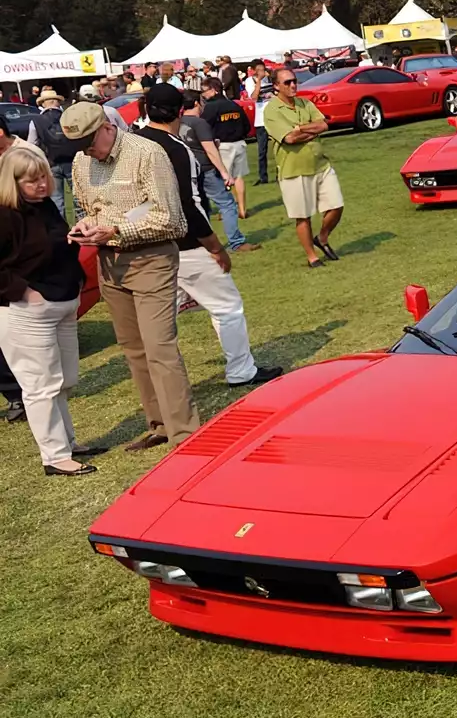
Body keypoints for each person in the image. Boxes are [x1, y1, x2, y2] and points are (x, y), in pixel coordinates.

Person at [62, 100, 202, 451]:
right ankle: (160, 425)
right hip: (110, 263)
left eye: (89, 142)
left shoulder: (147, 153)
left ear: (107, 127)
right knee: (134, 349)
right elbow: (91, 209)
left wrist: (116, 230)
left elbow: (171, 219)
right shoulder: (81, 161)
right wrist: (86, 226)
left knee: (159, 348)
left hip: (151, 259)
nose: (87, 151)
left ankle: (185, 433)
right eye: (79, 146)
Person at [132, 85, 281, 391]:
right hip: (185, 243)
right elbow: (190, 203)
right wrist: (215, 247)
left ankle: (157, 381)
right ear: (180, 111)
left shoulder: (134, 144)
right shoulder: (176, 148)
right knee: (227, 306)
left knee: (159, 320)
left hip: (148, 244)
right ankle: (241, 370)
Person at [0, 145, 100, 474]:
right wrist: (24, 292)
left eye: (43, 176)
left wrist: (75, 239)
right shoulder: (5, 215)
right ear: (13, 182)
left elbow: (52, 244)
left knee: (64, 379)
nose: (42, 184)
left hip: (62, 301)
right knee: (40, 385)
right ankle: (55, 456)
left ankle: (67, 443)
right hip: (27, 311)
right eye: (32, 180)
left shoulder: (43, 206)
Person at [262, 67, 345, 268]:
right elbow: (289, 138)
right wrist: (310, 130)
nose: (293, 85)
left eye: (294, 81)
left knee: (337, 205)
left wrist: (300, 128)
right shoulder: (272, 110)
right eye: (287, 82)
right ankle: (312, 257)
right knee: (302, 216)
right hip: (293, 170)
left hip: (320, 164)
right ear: (276, 86)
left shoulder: (305, 103)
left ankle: (322, 237)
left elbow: (323, 125)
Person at [180, 89, 253, 254]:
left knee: (201, 207)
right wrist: (225, 173)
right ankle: (236, 242)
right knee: (227, 204)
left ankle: (203, 244)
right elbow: (210, 150)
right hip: (206, 169)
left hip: (189, 171)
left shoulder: (179, 123)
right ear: (197, 103)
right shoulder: (199, 123)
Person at [200, 82, 255, 242]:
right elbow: (246, 126)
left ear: (213, 90)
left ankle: (226, 210)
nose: (203, 95)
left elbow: (203, 127)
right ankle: (242, 209)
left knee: (224, 178)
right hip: (239, 143)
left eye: (205, 91)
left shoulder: (211, 107)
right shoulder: (234, 105)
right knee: (239, 177)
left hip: (222, 145)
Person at [28, 90, 78, 218]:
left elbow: (32, 145)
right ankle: (85, 225)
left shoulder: (36, 121)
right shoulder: (69, 117)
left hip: (51, 162)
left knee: (57, 200)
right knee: (79, 198)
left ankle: (61, 228)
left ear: (43, 104)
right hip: (73, 161)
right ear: (58, 102)